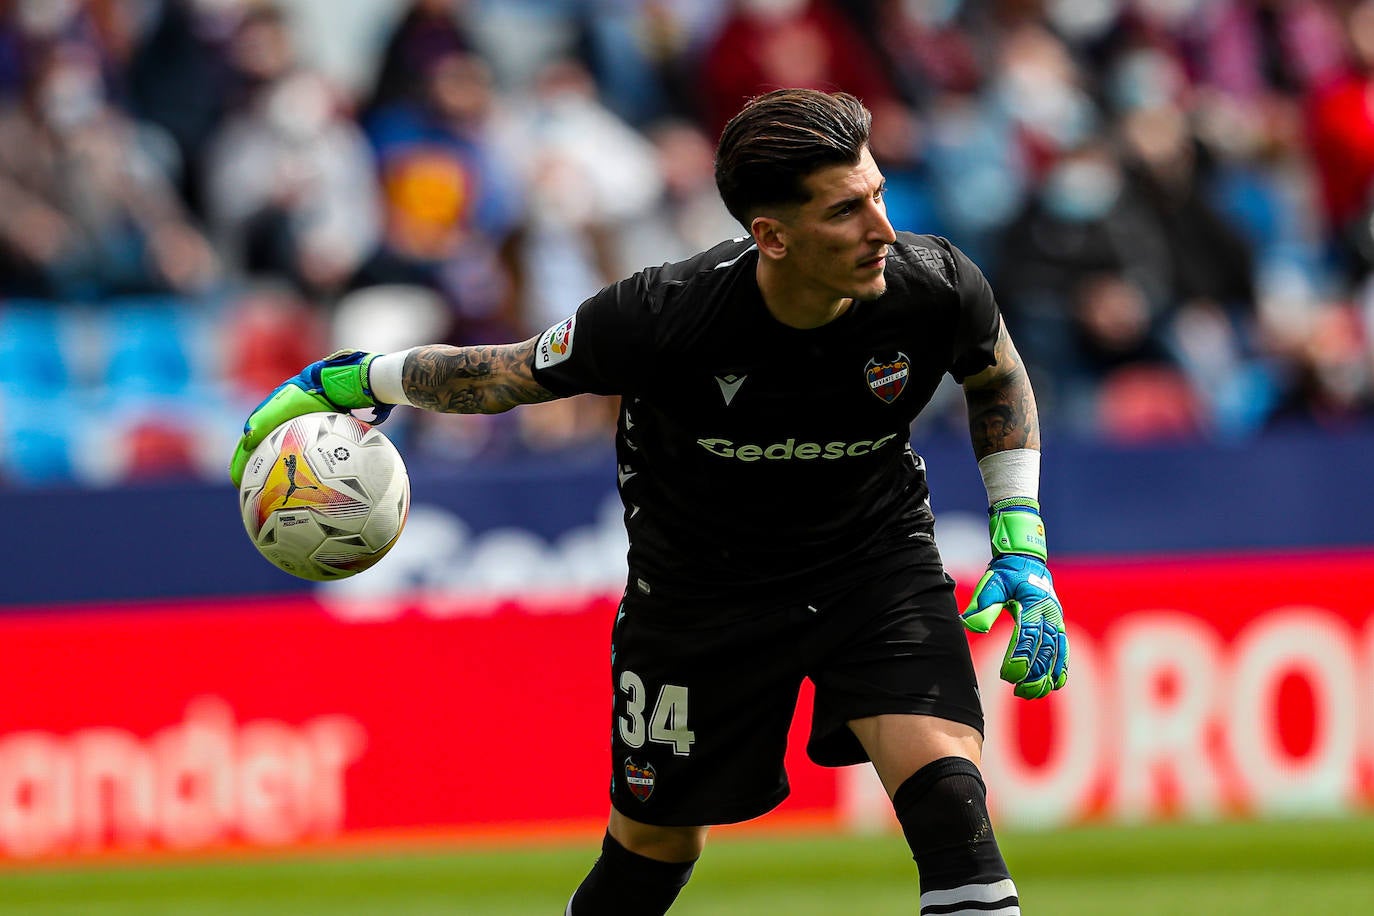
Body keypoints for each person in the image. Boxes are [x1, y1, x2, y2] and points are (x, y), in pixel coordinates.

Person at [228, 88, 1068, 916]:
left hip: (874, 565)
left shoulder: (935, 284)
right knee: (655, 849)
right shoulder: (665, 316)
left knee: (949, 798)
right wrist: (352, 377)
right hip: (699, 600)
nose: (882, 228)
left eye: (878, 193)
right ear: (770, 235)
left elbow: (996, 373)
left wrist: (1020, 535)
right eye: (847, 211)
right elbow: (508, 374)